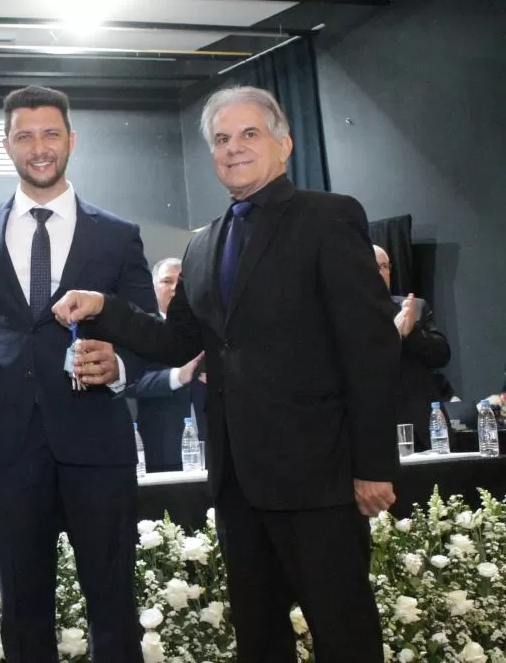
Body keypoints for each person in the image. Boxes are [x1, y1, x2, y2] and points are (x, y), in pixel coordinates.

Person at [52, 86, 401, 662]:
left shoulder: (329, 218)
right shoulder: (203, 244)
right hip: (238, 480)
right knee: (259, 638)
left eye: (249, 134)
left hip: (321, 477)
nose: (233, 148)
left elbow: (370, 348)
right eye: (220, 139)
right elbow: (176, 342)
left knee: (344, 633)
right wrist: (105, 307)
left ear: (284, 144)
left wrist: (373, 466)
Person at [0, 85, 155, 662]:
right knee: (22, 608)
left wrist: (121, 365)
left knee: (113, 601)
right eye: (24, 136)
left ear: (71, 140)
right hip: (6, 444)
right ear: (8, 146)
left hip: (96, 439)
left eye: (50, 133)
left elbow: (152, 331)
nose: (39, 146)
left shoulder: (117, 233)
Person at [126, 258, 207, 472]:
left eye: (180, 284)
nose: (174, 289)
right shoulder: (141, 331)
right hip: (163, 447)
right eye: (166, 282)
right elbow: (130, 381)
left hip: (211, 445)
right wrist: (178, 376)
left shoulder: (208, 329)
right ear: (153, 289)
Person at [374, 245, 452, 450]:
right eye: (374, 266)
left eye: (384, 266)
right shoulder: (347, 314)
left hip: (424, 424)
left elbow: (441, 354)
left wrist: (411, 333)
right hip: (379, 427)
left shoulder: (415, 307)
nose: (381, 272)